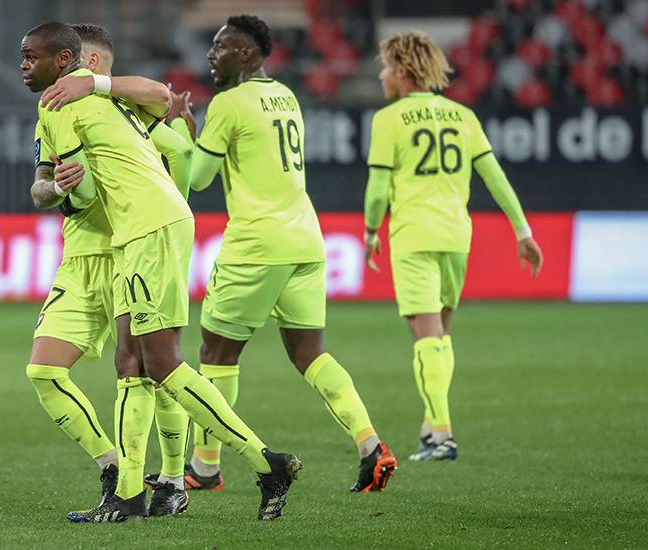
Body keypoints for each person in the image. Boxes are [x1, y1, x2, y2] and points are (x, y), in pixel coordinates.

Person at [33, 21, 302, 522]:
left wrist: (86, 188)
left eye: (37, 58)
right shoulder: (124, 109)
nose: (30, 67)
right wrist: (170, 187)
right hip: (147, 231)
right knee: (134, 366)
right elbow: (176, 147)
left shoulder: (81, 103)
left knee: (161, 364)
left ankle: (264, 463)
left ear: (75, 64)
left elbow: (88, 191)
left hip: (143, 233)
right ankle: (136, 491)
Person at [161, 15, 397, 493]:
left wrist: (181, 132)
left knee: (217, 353)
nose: (211, 54)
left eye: (221, 46)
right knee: (311, 353)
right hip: (306, 240)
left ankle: (205, 467)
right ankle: (370, 444)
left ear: (247, 54)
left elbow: (199, 180)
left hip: (257, 243)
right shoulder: (285, 95)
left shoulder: (228, 104)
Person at [20, 21, 193, 518]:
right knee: (44, 370)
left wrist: (169, 205)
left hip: (128, 251)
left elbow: (179, 145)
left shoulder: (129, 108)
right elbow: (39, 188)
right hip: (78, 259)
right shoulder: (52, 114)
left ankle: (172, 478)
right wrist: (56, 188)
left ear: (85, 64)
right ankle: (113, 467)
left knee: (148, 370)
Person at [363, 31, 544, 461]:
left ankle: (442, 435)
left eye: (387, 67)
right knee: (441, 336)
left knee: (424, 337)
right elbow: (495, 177)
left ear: (403, 72)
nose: (382, 75)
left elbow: (376, 188)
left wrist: (371, 230)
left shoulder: (388, 119)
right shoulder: (463, 116)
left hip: (413, 235)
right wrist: (523, 231)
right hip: (457, 237)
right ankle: (431, 427)